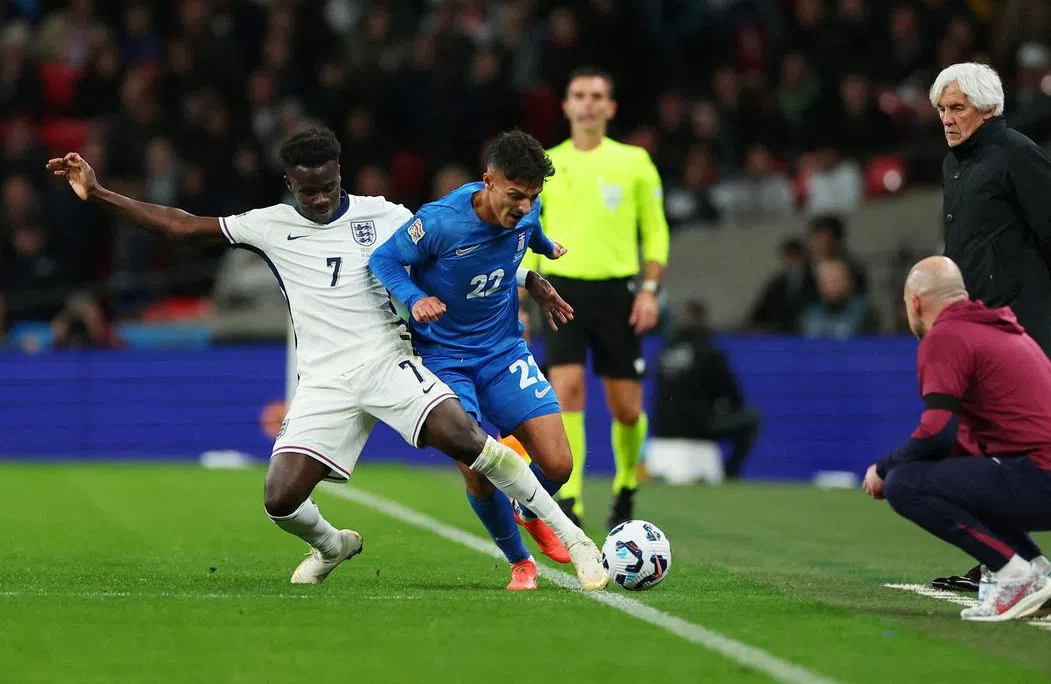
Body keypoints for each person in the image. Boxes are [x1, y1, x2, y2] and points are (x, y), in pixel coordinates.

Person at [45, 127, 607, 592]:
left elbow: (455, 252)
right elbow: (183, 226)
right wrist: (98, 194)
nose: (320, 200)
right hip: (324, 383)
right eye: (308, 191)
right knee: (280, 499)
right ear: (290, 183)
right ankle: (333, 544)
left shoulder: (382, 215)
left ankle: (576, 543)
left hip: (390, 361)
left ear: (341, 174)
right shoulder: (270, 224)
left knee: (468, 440)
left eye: (329, 187)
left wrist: (527, 276)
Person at [369, 130, 579, 591]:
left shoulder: (528, 209)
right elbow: (383, 259)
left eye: (533, 197)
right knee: (477, 465)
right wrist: (414, 296)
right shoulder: (441, 221)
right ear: (488, 181)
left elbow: (530, 232)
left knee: (559, 465)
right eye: (515, 196)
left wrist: (543, 256)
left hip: (504, 351)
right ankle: (520, 562)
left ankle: (526, 507)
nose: (524, 207)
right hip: (445, 359)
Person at [863, 256, 1051, 621]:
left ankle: (1015, 575)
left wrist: (884, 468)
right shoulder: (999, 329)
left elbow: (937, 434)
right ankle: (1035, 569)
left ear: (914, 302)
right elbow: (960, 444)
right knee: (953, 477)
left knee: (905, 484)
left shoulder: (945, 337)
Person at [928, 62, 1051, 594]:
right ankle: (998, 562)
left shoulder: (1017, 153)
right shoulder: (954, 164)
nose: (947, 119)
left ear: (988, 108)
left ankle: (1015, 565)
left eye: (958, 109)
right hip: (973, 325)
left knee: (1014, 446)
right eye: (942, 110)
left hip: (1017, 323)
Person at [527, 66, 671, 529]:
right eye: (578, 95)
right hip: (560, 289)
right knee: (566, 390)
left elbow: (656, 232)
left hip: (617, 291)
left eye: (596, 95)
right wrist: (522, 289)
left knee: (625, 406)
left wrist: (649, 290)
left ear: (610, 107)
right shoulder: (546, 164)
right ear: (566, 106)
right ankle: (570, 501)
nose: (587, 103)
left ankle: (626, 483)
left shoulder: (634, 162)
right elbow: (527, 231)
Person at [653, 300, 761, 479]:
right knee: (753, 419)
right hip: (698, 427)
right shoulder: (710, 353)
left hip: (662, 428)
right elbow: (733, 395)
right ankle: (730, 473)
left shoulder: (665, 352)